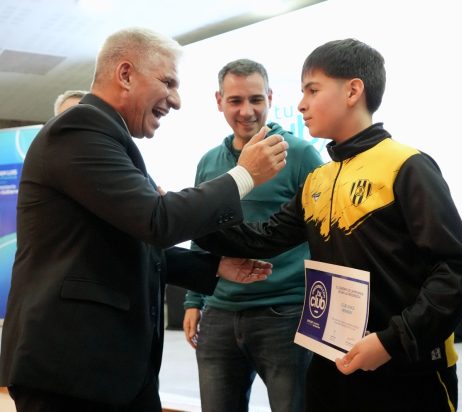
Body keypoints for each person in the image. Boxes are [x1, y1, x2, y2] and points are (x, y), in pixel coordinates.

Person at [0, 27, 289, 412]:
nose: (177, 100)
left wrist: (216, 266)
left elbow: (131, 242)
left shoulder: (109, 139)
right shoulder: (79, 129)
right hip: (71, 370)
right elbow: (157, 221)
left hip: (109, 372)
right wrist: (244, 175)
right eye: (168, 82)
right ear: (125, 74)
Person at [194, 39, 462, 412]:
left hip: (406, 368)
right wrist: (187, 215)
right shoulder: (319, 179)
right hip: (332, 361)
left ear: (352, 91)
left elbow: (459, 270)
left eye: (312, 90)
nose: (301, 104)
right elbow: (259, 239)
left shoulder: (407, 166)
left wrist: (392, 341)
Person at [183, 59, 323, 412]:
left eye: (256, 99)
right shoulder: (209, 162)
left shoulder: (300, 154)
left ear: (270, 98)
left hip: (287, 313)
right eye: (235, 100)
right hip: (219, 314)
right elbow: (201, 232)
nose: (247, 111)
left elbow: (325, 232)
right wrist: (193, 300)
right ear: (219, 101)